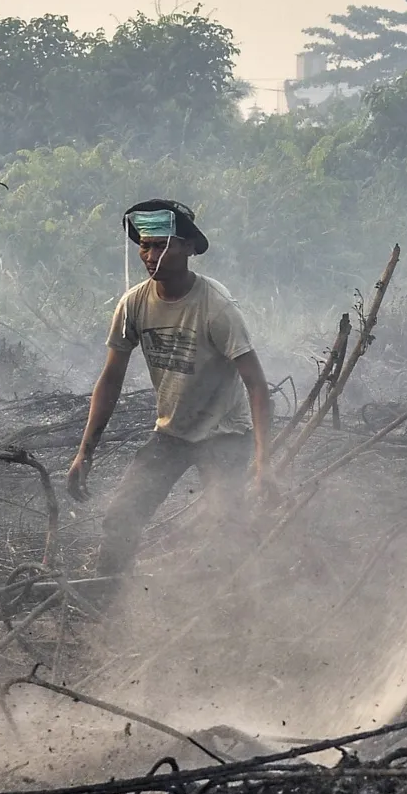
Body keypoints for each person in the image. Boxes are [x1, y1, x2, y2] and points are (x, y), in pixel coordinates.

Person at [66, 199, 274, 582]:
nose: (151, 255)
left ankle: (243, 603)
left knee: (227, 526)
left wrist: (264, 464)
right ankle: (106, 600)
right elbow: (110, 379)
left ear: (189, 248)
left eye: (163, 245)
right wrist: (85, 452)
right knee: (121, 517)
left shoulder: (217, 308)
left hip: (225, 434)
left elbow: (257, 386)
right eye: (145, 245)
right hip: (172, 433)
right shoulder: (133, 306)